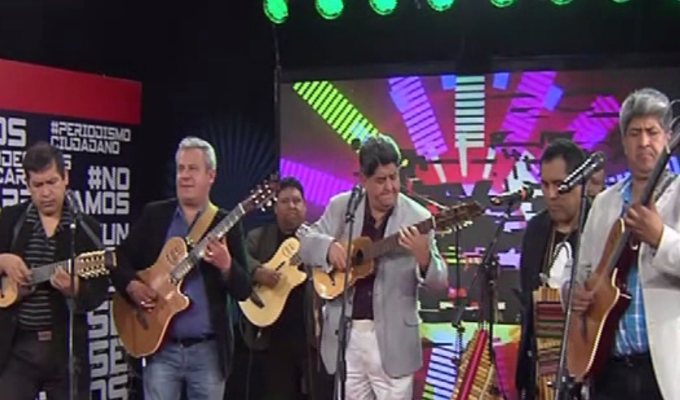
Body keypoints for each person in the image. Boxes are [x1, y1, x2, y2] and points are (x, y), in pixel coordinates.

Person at [298, 134, 448, 400]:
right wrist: (329, 248)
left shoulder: (418, 218)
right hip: (347, 339)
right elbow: (305, 242)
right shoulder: (343, 207)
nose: (390, 187)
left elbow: (439, 283)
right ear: (363, 180)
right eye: (380, 180)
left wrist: (423, 256)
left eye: (394, 177)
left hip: (393, 343)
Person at [110, 136, 251, 400]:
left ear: (211, 176)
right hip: (161, 350)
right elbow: (118, 258)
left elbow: (244, 289)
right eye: (181, 169)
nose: (184, 176)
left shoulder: (226, 223)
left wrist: (226, 265)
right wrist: (131, 285)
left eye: (192, 169)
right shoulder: (155, 216)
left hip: (208, 353)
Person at [562, 88, 680, 399]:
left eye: (652, 132)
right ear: (624, 143)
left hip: (666, 371)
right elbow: (579, 267)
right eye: (635, 133)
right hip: (608, 368)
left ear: (668, 137)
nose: (644, 142)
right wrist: (572, 291)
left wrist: (660, 238)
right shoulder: (604, 203)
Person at [0, 141, 108, 400]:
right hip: (17, 350)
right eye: (38, 185)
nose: (46, 193)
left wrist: (76, 289)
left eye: (52, 182)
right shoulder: (10, 220)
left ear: (65, 177)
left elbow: (99, 292)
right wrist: (2, 260)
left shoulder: (85, 228)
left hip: (65, 351)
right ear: (27, 185)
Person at [240, 176, 333, 400]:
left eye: (296, 201)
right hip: (274, 338)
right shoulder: (258, 237)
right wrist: (258, 272)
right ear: (275, 208)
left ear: (305, 206)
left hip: (310, 337)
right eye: (285, 201)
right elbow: (239, 259)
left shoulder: (318, 240)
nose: (291, 205)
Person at [514, 139, 588, 400]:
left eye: (559, 185)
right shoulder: (536, 230)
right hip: (540, 369)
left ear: (580, 184)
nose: (551, 194)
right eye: (545, 185)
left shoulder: (599, 225)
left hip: (587, 364)